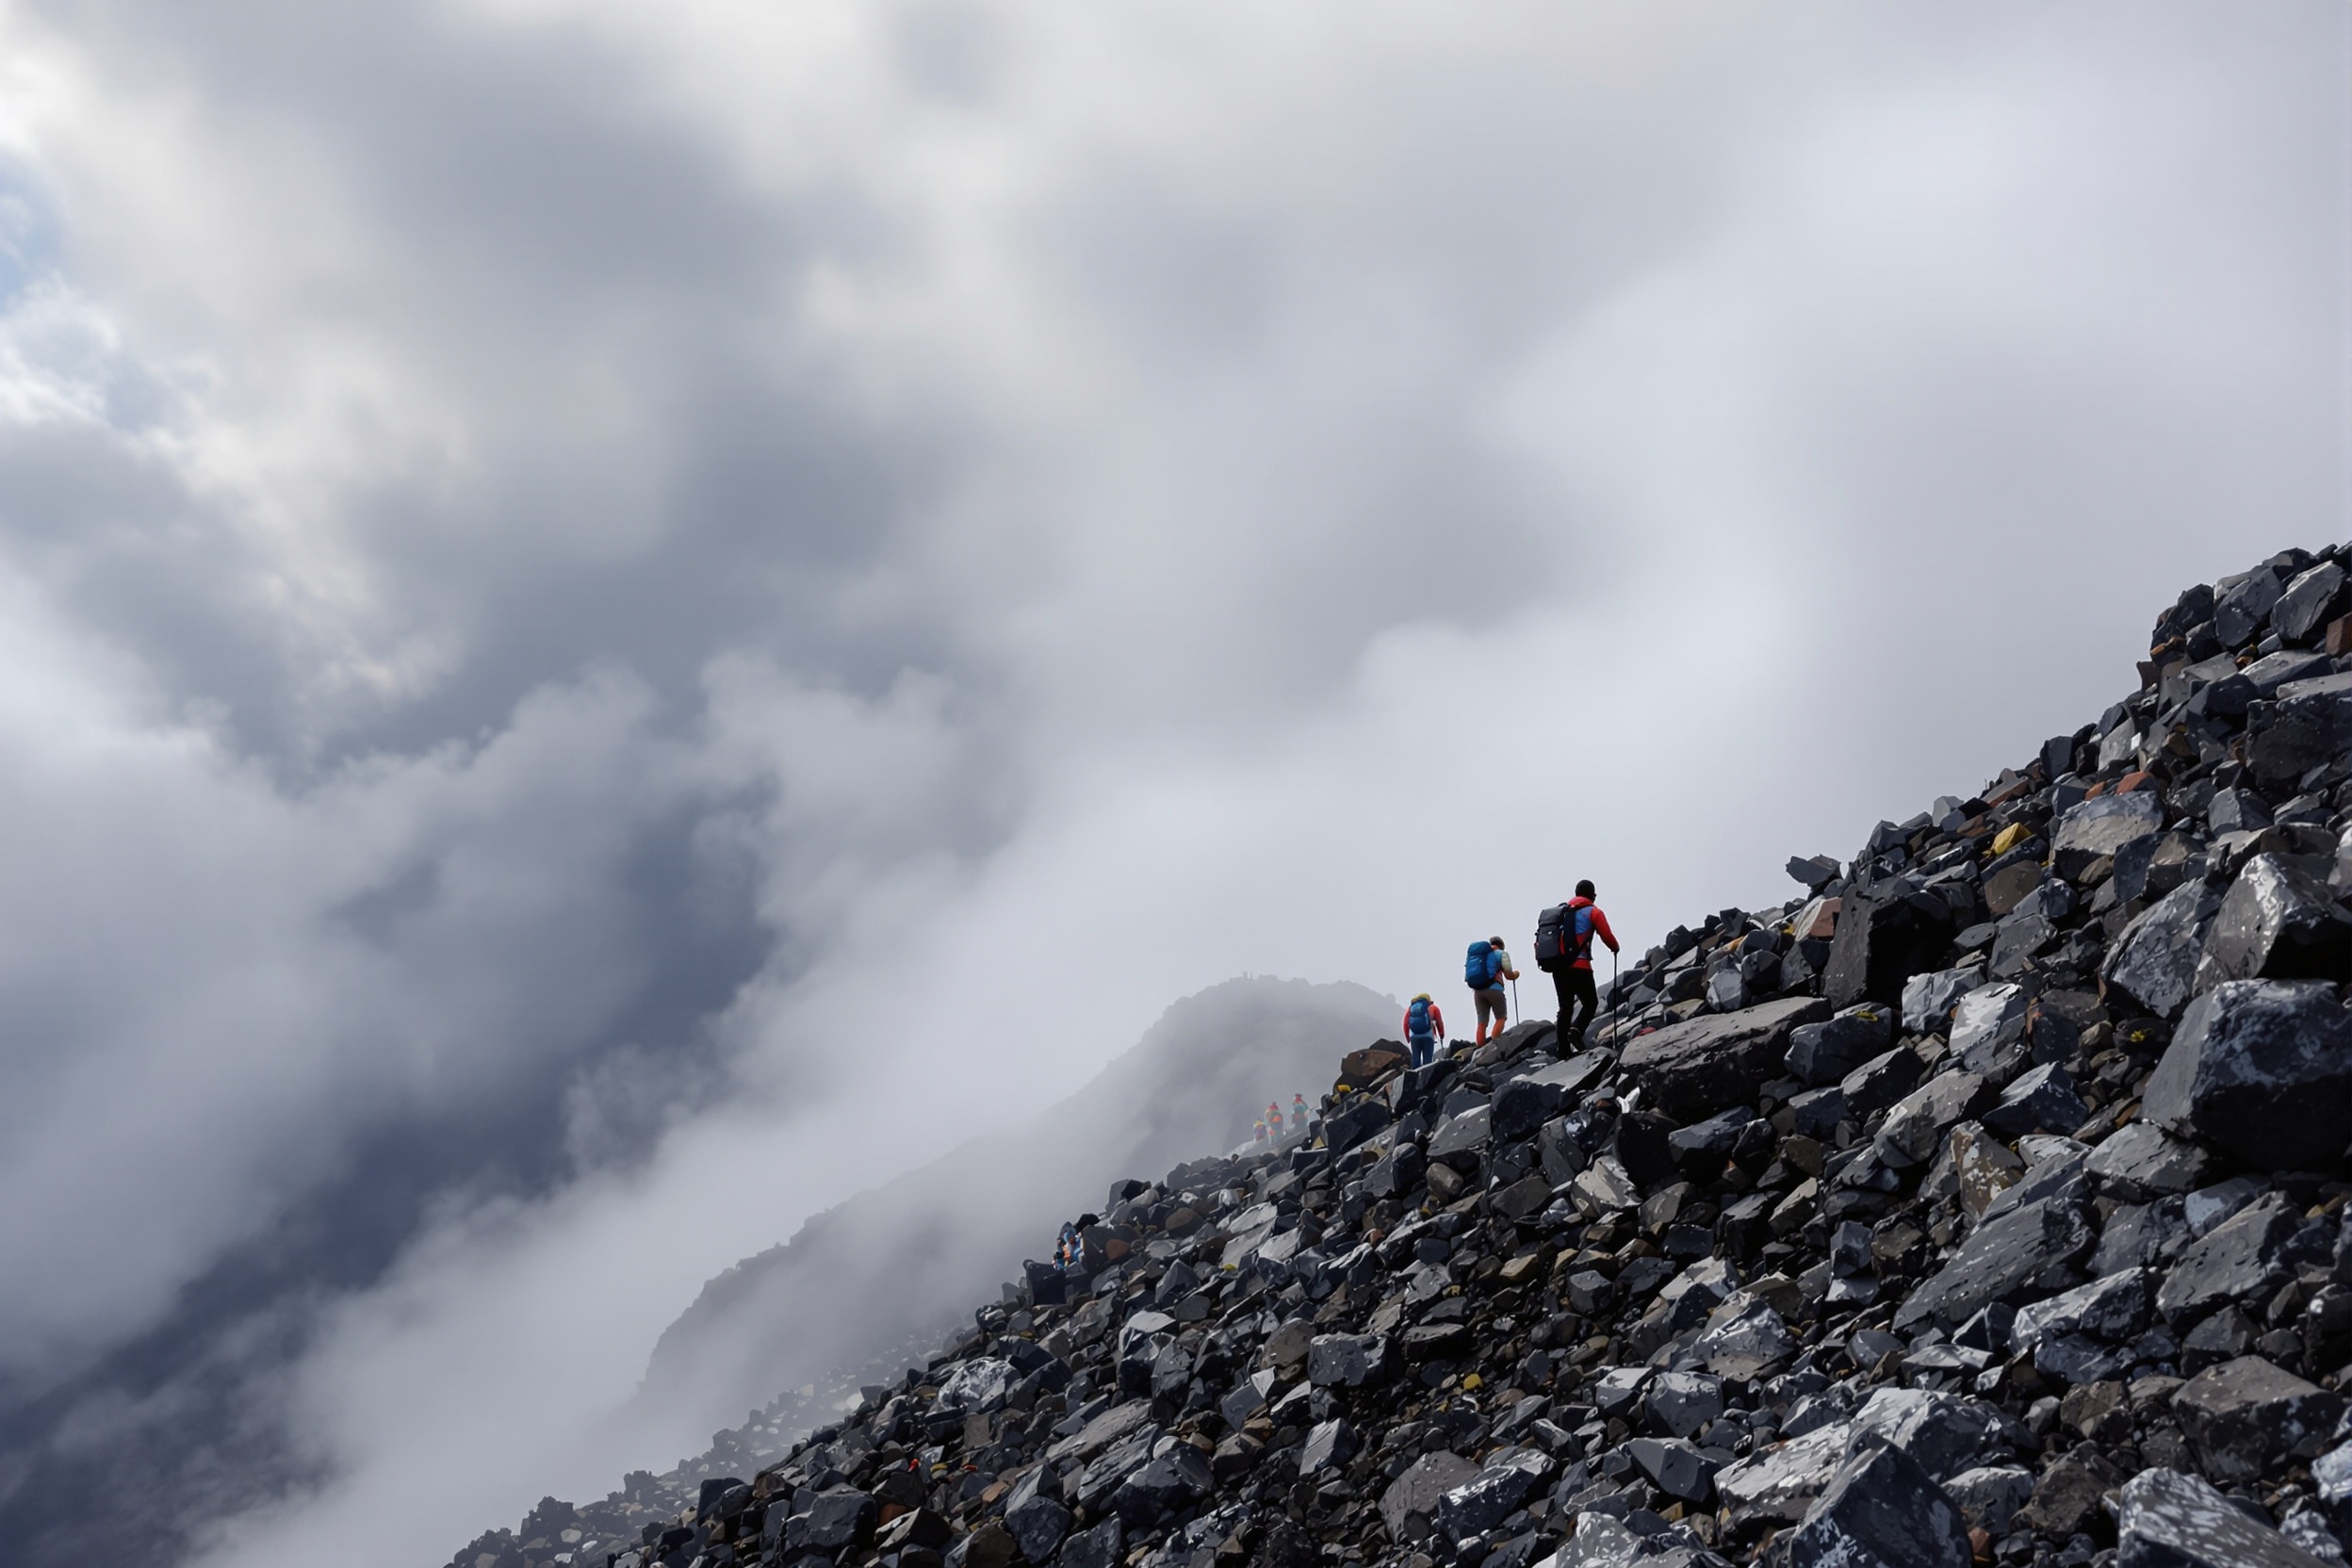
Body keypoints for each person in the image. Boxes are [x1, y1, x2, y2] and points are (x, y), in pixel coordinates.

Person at [1553, 879, 1620, 1049]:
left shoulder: (1562, 913)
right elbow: (1607, 936)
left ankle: (1563, 1050)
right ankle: (1576, 1031)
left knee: (1565, 1008)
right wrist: (1615, 947)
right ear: (1592, 895)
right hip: (1580, 966)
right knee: (1590, 1003)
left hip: (1559, 967)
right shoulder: (1593, 912)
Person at [1466, 936, 1519, 1046]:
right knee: (1501, 1017)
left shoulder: (1481, 955)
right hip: (1495, 989)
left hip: (1478, 991)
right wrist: (1515, 974)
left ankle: (1480, 1048)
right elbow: (1508, 975)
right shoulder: (1501, 954)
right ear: (1501, 946)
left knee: (1482, 1023)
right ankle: (1494, 1045)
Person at [1402, 991, 1446, 1068]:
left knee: (1415, 1059)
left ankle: (1414, 1077)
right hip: (1428, 1036)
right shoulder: (1433, 1007)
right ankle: (1426, 1077)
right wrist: (1441, 1034)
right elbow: (1439, 1022)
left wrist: (1408, 1038)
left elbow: (1405, 1023)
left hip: (1414, 1036)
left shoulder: (1411, 1008)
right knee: (1427, 1061)